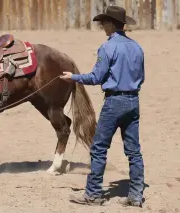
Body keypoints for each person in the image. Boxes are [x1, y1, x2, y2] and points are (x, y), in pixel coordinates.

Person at [60, 6, 145, 207]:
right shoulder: (137, 47)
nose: (102, 27)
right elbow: (141, 78)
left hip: (114, 102)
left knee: (99, 148)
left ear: (109, 24)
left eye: (103, 23)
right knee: (134, 151)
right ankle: (136, 196)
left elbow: (96, 77)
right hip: (133, 101)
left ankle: (93, 194)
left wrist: (73, 77)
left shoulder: (107, 47)